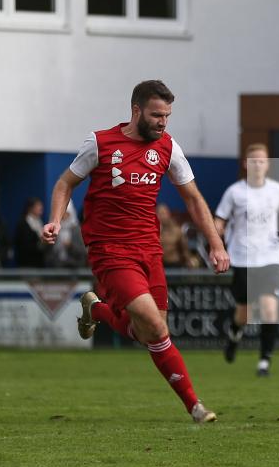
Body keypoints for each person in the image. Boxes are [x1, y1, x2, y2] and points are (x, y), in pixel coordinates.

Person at [42, 80, 230, 424]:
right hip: (109, 249)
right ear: (136, 110)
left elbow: (192, 198)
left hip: (149, 249)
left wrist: (216, 244)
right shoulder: (100, 142)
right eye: (157, 115)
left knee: (150, 332)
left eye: (167, 116)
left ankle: (96, 309)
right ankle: (195, 407)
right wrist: (55, 219)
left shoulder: (169, 147)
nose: (163, 122)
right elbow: (64, 183)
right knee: (155, 327)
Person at [214, 144, 279, 376]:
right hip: (243, 258)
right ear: (245, 164)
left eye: (262, 161)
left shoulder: (277, 190)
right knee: (244, 314)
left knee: (270, 310)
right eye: (253, 161)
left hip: (270, 258)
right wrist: (217, 234)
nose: (258, 165)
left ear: (268, 165)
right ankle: (234, 335)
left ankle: (264, 362)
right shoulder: (234, 192)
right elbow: (219, 218)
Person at [157, 203, 197, 268]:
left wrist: (189, 260)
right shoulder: (154, 232)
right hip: (159, 265)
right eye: (160, 214)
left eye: (164, 213)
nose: (162, 216)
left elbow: (185, 249)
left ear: (168, 214)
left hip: (175, 265)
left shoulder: (177, 231)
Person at [14, 197, 47, 268]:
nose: (41, 208)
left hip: (39, 264)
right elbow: (23, 245)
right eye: (38, 205)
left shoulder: (40, 223)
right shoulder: (23, 224)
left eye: (41, 205)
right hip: (26, 264)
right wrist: (38, 245)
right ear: (30, 208)